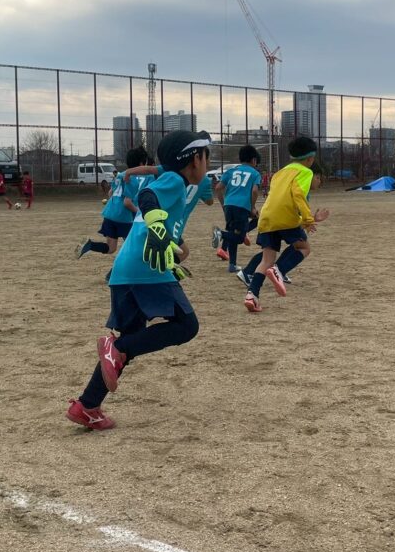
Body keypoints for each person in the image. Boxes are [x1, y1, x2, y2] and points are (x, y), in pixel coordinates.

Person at [66, 131, 211, 431]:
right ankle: (114, 350)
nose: (207, 165)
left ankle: (87, 406)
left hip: (126, 270)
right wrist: (158, 227)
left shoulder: (170, 178)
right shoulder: (174, 180)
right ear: (195, 159)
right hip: (146, 268)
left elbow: (152, 207)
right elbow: (148, 198)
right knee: (186, 326)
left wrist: (171, 252)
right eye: (207, 157)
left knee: (128, 345)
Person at [243, 136, 330, 313]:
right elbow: (298, 195)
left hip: (267, 217)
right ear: (310, 158)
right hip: (285, 216)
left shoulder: (280, 173)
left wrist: (309, 218)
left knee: (266, 260)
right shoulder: (305, 172)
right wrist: (308, 219)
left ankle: (252, 295)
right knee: (303, 247)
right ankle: (279, 270)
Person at [76, 148, 150, 259]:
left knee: (111, 248)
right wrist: (139, 212)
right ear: (141, 164)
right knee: (134, 248)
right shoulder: (133, 179)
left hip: (109, 214)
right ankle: (120, 268)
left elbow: (110, 193)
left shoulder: (120, 175)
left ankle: (90, 245)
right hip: (123, 218)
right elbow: (127, 203)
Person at [212, 146, 262, 273]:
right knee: (239, 237)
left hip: (229, 205)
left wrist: (224, 205)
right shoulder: (255, 173)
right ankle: (221, 234)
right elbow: (255, 191)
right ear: (254, 160)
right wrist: (252, 207)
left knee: (233, 232)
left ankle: (232, 265)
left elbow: (218, 188)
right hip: (242, 206)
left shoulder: (231, 171)